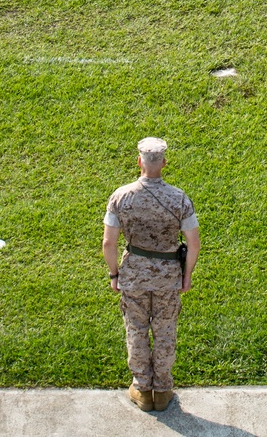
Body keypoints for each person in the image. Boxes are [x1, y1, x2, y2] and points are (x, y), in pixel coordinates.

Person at [103, 136, 200, 413]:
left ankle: (142, 389)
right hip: (168, 276)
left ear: (139, 162)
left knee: (136, 329)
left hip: (133, 274)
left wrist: (114, 275)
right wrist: (187, 275)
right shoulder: (179, 198)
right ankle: (163, 389)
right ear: (164, 163)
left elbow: (109, 243)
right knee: (165, 331)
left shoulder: (121, 196)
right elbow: (193, 243)